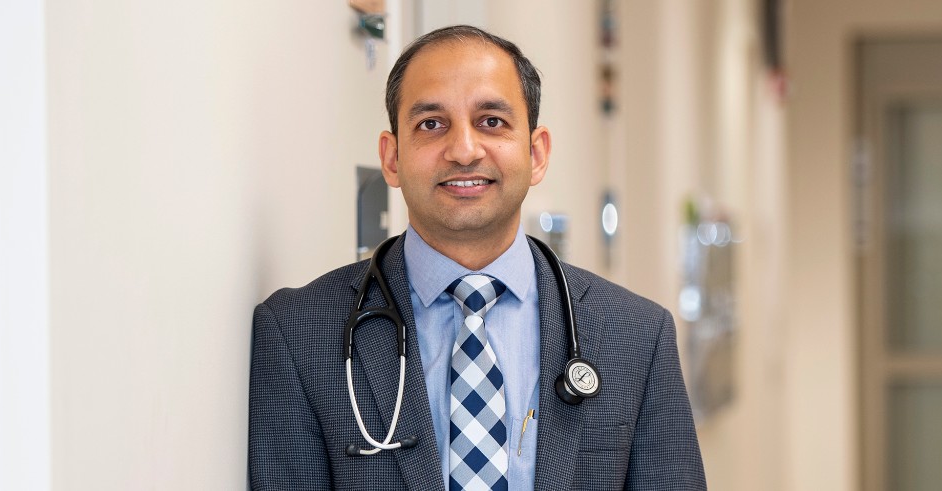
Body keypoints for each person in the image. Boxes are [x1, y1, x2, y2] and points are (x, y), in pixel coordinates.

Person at [248, 25, 706, 490]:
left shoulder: (636, 336)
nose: (464, 150)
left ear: (536, 153)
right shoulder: (297, 334)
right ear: (391, 158)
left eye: (491, 121)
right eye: (431, 124)